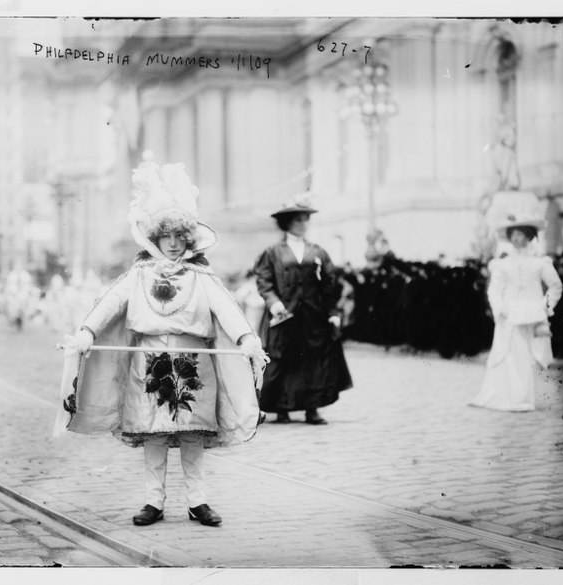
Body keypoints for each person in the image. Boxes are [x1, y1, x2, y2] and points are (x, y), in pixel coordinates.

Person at [56, 161, 268, 528]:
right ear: (155, 238)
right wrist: (86, 334)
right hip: (148, 360)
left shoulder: (202, 276)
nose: (172, 244)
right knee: (152, 435)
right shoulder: (137, 274)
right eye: (166, 237)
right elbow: (108, 304)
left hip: (194, 361)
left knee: (192, 434)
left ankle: (197, 501)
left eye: (179, 236)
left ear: (188, 238)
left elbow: (228, 310)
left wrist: (247, 339)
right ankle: (153, 502)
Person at [253, 195, 352, 425]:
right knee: (283, 360)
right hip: (284, 315)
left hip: (312, 317)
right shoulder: (273, 252)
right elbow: (264, 281)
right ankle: (282, 409)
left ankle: (312, 408)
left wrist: (333, 313)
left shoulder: (318, 252)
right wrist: (273, 302)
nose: (302, 223)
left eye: (305, 219)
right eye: (297, 219)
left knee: (313, 361)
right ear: (287, 222)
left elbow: (330, 285)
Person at [469, 212, 563, 412]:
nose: (516, 238)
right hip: (508, 314)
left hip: (531, 315)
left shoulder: (540, 263)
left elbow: (555, 286)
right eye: (513, 234)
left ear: (529, 236)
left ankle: (522, 398)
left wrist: (543, 308)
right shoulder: (503, 264)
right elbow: (494, 289)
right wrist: (499, 307)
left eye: (521, 234)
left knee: (524, 357)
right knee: (505, 354)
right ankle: (501, 396)